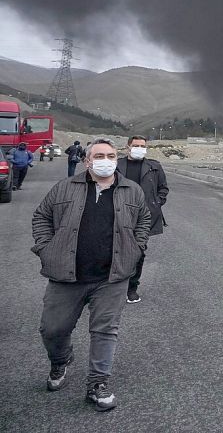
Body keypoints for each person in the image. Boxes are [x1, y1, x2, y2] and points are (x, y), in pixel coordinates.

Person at [31, 137, 151, 412]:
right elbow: (41, 216)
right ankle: (60, 360)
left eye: (110, 156)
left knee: (105, 331)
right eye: (99, 156)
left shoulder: (131, 191)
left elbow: (144, 219)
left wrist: (137, 246)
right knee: (53, 329)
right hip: (66, 275)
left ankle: (97, 384)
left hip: (112, 277)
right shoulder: (64, 187)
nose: (106, 161)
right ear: (87, 161)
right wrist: (46, 248)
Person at [117, 135, 169, 303]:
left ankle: (132, 288)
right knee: (114, 250)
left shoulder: (154, 166)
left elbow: (163, 188)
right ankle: (111, 286)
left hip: (143, 217)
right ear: (128, 147)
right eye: (136, 145)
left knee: (138, 252)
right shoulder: (117, 165)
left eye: (142, 145)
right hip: (118, 214)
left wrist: (156, 203)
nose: (139, 148)